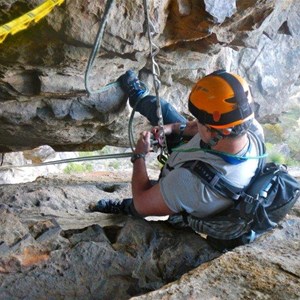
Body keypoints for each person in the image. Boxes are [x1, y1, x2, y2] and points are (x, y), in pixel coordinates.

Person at [89, 69, 264, 222]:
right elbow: (196, 128)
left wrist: (139, 156)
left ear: (215, 132)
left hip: (191, 185)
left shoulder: (189, 184)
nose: (194, 123)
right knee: (162, 109)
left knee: (139, 205)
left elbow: (143, 203)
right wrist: (171, 129)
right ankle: (137, 97)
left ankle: (123, 208)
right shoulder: (247, 126)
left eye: (200, 122)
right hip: (195, 158)